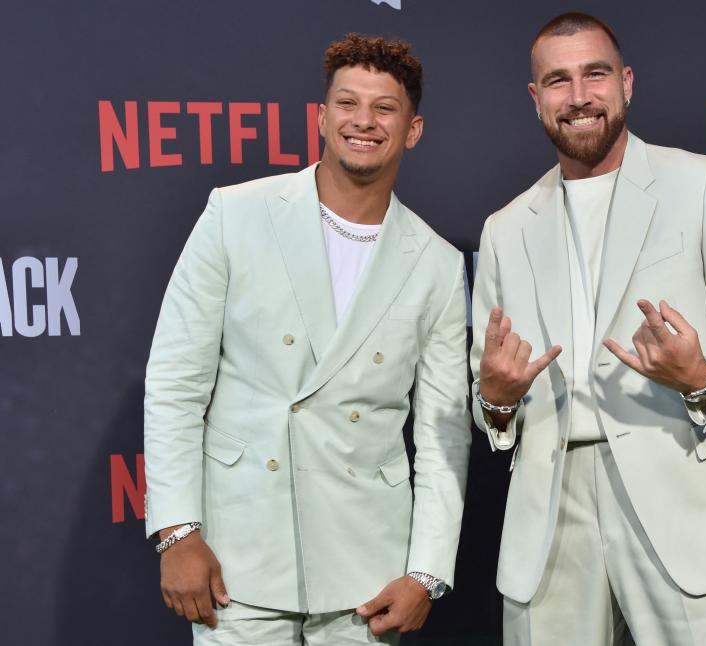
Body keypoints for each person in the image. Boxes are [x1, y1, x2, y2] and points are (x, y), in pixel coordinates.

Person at [471, 12, 706, 646]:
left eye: (595, 74)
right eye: (557, 81)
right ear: (536, 99)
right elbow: (487, 397)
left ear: (627, 83)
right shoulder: (505, 229)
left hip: (681, 494)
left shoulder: (705, 185)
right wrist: (497, 401)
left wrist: (700, 378)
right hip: (550, 510)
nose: (579, 96)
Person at [144, 33, 471, 645]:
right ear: (322, 116)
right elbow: (175, 383)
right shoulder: (236, 214)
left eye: (385, 108)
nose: (364, 122)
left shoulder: (437, 264)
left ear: (414, 129)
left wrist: (426, 572)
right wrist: (177, 533)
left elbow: (441, 431)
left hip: (367, 574)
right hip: (235, 561)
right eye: (347, 104)